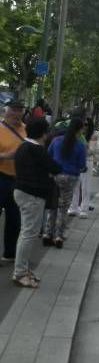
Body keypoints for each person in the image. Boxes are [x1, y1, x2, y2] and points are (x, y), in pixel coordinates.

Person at [11, 117, 60, 287]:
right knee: (28, 234)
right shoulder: (36, 149)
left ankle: (24, 268)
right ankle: (20, 272)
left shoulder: (23, 146)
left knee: (26, 233)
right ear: (44, 133)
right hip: (32, 195)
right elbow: (55, 167)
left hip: (22, 191)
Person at [45, 118, 87, 249]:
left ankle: (47, 233)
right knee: (63, 208)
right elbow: (81, 165)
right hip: (70, 178)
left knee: (53, 205)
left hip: (55, 176)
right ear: (79, 130)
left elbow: (48, 156)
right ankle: (59, 235)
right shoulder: (80, 145)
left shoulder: (56, 140)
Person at [0, 100, 27, 264]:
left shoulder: (25, 129)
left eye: (20, 110)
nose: (17, 114)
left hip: (18, 179)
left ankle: (9, 253)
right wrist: (6, 156)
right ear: (7, 111)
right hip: (1, 175)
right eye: (15, 110)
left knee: (14, 217)